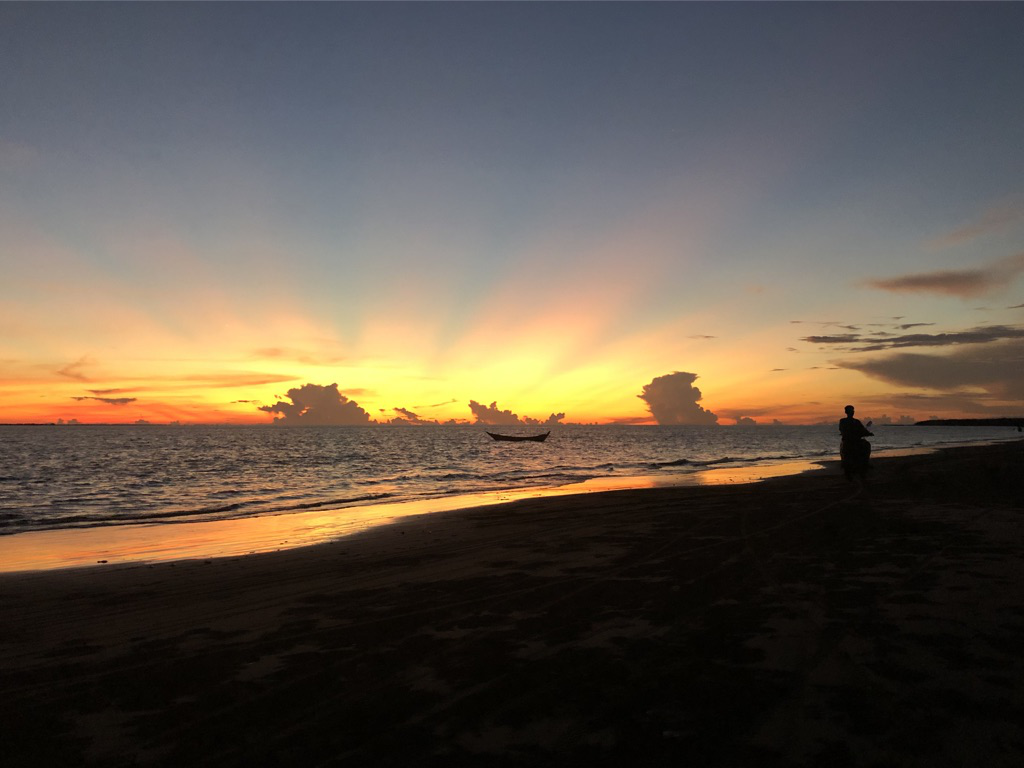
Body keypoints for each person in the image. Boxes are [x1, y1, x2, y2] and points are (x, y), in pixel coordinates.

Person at [839, 404, 873, 479]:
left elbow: (863, 429)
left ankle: (865, 462)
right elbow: (842, 429)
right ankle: (845, 464)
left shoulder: (856, 421)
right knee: (846, 450)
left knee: (866, 445)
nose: (852, 412)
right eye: (851, 410)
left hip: (856, 440)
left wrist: (868, 433)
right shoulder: (843, 421)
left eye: (853, 410)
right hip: (848, 440)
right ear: (847, 412)